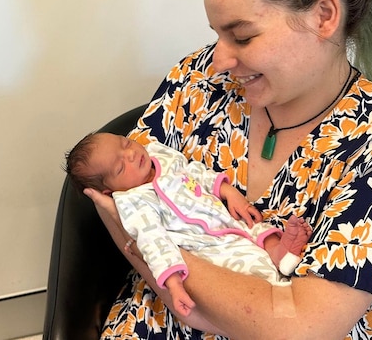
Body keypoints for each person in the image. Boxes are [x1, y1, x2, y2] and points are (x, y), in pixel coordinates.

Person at [84, 0, 372, 339]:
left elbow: (302, 330)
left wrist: (163, 261)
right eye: (216, 34)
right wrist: (188, 297)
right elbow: (113, 203)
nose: (219, 59)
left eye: (242, 35)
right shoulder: (196, 84)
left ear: (324, 16)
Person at [65, 132, 311, 317]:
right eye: (120, 166)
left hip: (224, 220)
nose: (130, 154)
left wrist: (228, 191)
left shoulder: (159, 154)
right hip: (205, 248)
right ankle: (279, 297)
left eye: (125, 142)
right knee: (245, 267)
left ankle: (280, 253)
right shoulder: (133, 201)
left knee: (258, 229)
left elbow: (196, 172)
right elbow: (153, 242)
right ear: (110, 190)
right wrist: (174, 284)